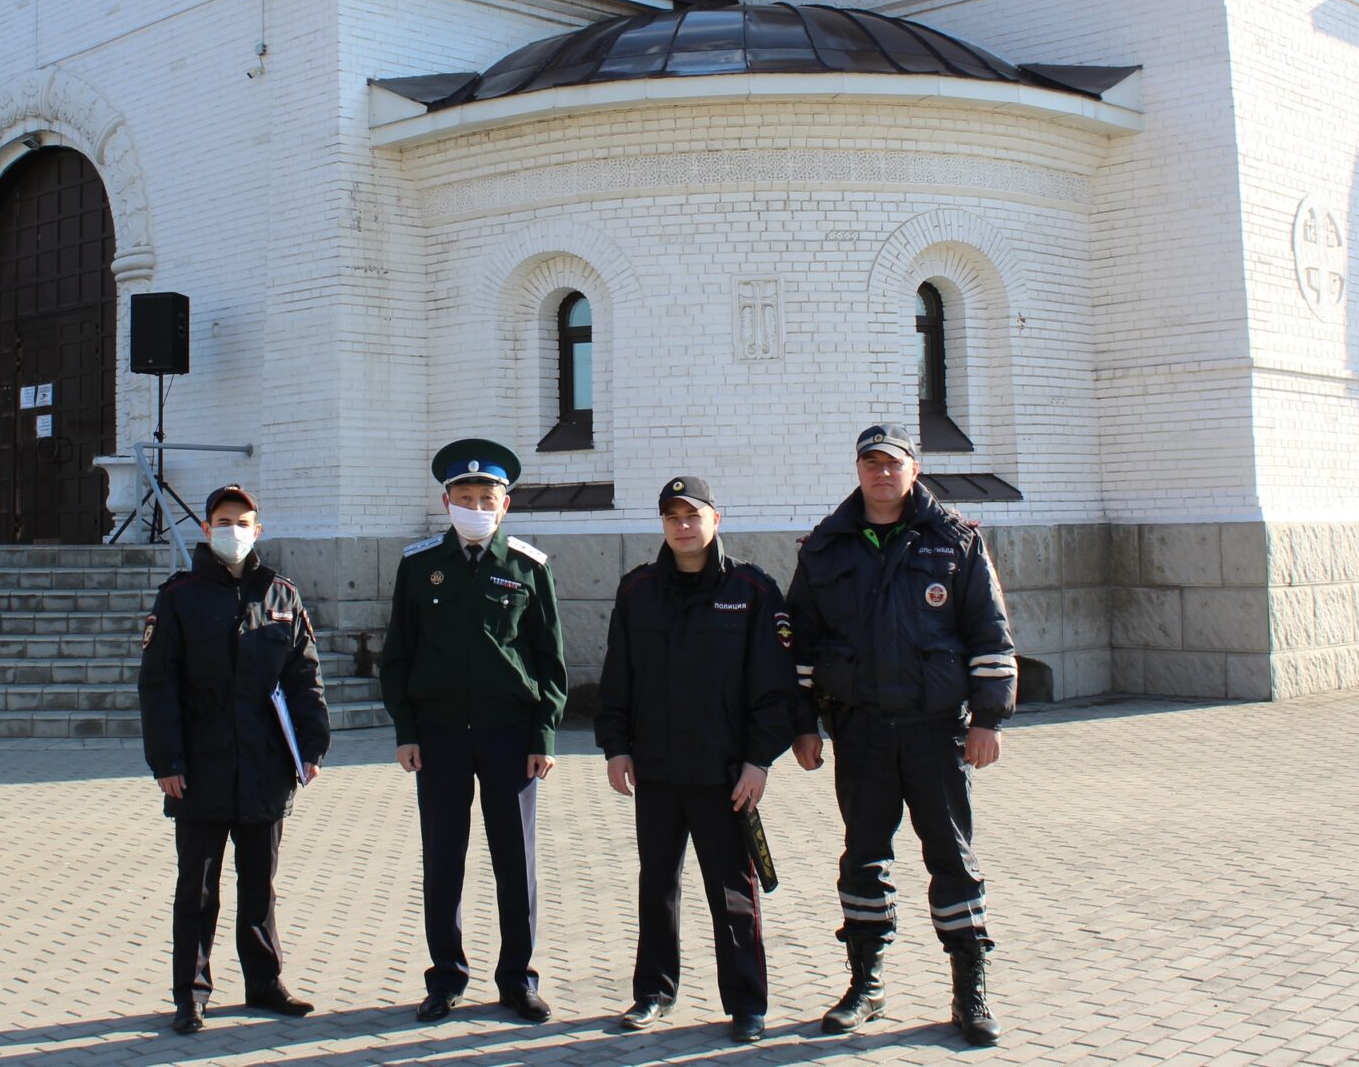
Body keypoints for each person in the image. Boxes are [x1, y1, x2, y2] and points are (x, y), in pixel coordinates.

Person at [786, 423, 1017, 1047]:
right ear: (857, 470)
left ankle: (969, 990)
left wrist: (989, 719)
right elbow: (800, 645)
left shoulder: (956, 542)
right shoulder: (825, 548)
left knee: (952, 860)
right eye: (870, 464)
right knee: (863, 858)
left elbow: (989, 635)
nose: (881, 474)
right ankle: (866, 985)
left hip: (935, 733)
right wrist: (803, 725)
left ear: (913, 470)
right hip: (858, 733)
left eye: (892, 463)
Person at [595, 476, 814, 1045]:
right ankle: (652, 992)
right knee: (656, 886)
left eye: (693, 515)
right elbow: (618, 678)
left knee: (732, 892)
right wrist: (616, 746)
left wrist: (758, 762)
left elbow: (774, 689)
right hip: (657, 769)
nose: (683, 526)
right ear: (662, 525)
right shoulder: (637, 590)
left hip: (724, 774)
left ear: (717, 518)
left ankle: (746, 1004)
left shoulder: (752, 589)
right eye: (672, 517)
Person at [379, 439, 567, 1024]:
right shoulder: (417, 566)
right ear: (446, 501)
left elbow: (550, 660)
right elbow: (398, 657)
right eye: (465, 497)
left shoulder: (528, 568)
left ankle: (517, 978)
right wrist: (405, 730)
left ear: (504, 505)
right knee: (444, 858)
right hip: (438, 736)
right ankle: (446, 977)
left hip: (509, 733)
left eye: (487, 497)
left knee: (516, 861)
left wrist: (545, 737)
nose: (476, 505)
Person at [137, 484, 331, 1035]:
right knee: (196, 888)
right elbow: (158, 687)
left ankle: (265, 984)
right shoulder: (178, 597)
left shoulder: (281, 596)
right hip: (198, 769)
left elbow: (304, 678)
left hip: (265, 767)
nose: (233, 530)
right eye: (223, 521)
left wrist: (312, 749)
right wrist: (166, 761)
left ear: (258, 528)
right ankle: (191, 993)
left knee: (259, 884)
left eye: (243, 521)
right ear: (206, 529)